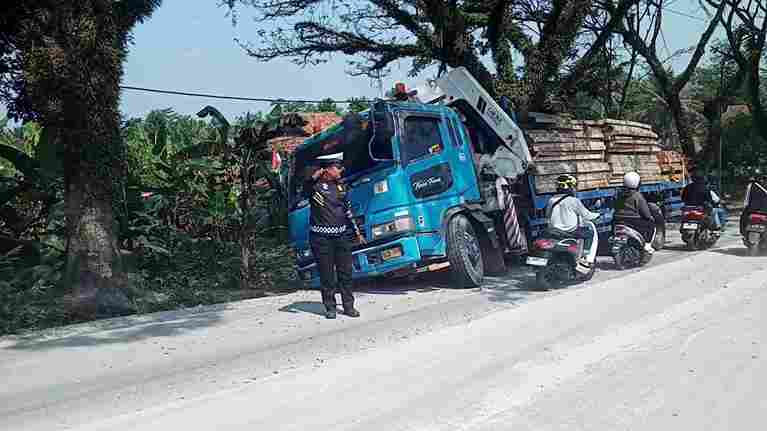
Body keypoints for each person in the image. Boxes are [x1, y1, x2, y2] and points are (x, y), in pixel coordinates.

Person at [304, 153, 365, 319]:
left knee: (346, 273)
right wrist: (313, 177)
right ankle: (330, 307)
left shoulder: (341, 187)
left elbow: (348, 211)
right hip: (321, 239)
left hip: (341, 237)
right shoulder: (314, 187)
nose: (341, 170)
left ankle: (348, 306)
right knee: (327, 275)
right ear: (328, 169)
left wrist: (357, 231)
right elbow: (305, 188)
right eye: (338, 167)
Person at [545, 174, 601, 266]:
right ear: (569, 187)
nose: (574, 189)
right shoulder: (574, 201)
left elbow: (547, 215)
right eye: (573, 186)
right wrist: (598, 215)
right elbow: (587, 215)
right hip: (570, 231)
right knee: (589, 233)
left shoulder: (551, 200)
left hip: (554, 231)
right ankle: (584, 256)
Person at [613, 171, 656, 253]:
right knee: (651, 224)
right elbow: (646, 213)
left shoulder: (619, 194)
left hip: (618, 220)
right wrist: (650, 217)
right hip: (633, 221)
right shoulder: (638, 196)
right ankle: (647, 244)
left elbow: (615, 206)